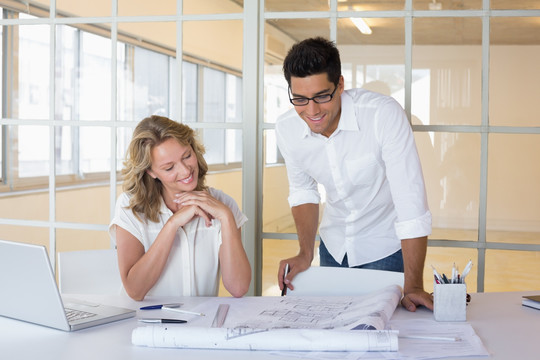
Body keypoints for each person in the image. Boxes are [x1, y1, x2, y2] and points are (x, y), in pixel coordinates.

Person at [275, 37, 433, 312]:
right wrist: (305, 253)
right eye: (300, 99)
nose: (311, 111)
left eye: (322, 96)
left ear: (340, 85)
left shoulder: (381, 115)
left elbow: (411, 201)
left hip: (383, 246)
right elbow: (303, 191)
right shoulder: (287, 128)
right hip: (333, 246)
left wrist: (414, 284)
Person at [109, 115, 251, 301]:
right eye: (169, 168)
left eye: (187, 156)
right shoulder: (130, 207)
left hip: (200, 324)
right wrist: (173, 224)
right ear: (151, 172)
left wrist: (226, 216)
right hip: (147, 323)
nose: (185, 171)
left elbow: (239, 287)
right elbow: (135, 290)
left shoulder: (222, 204)